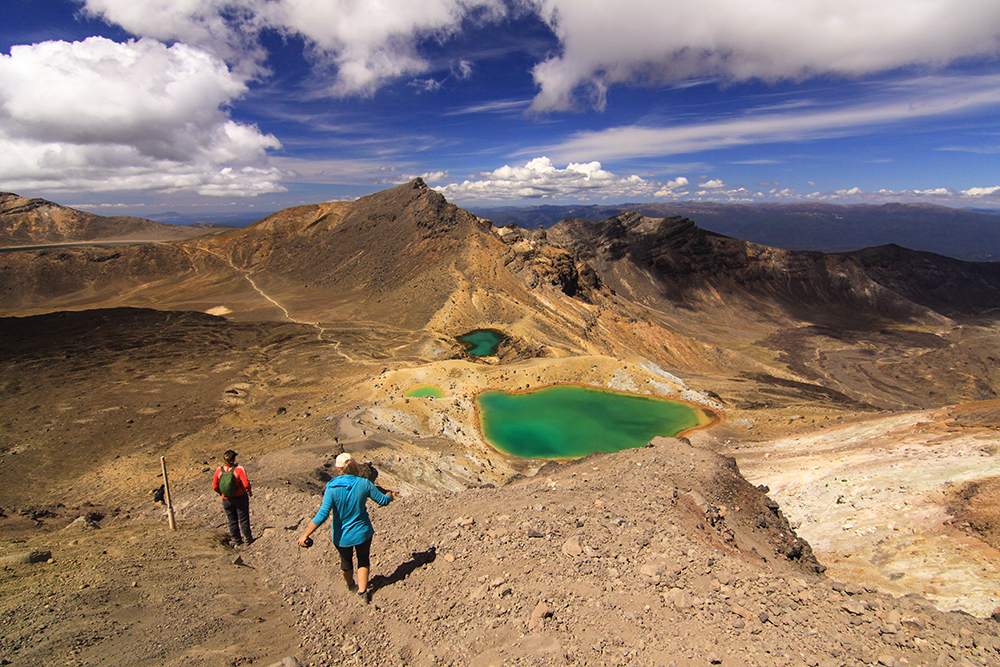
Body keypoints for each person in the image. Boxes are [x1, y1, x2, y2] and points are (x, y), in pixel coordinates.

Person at [298, 452, 394, 603]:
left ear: (338, 469)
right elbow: (382, 501)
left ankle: (351, 585)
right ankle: (363, 593)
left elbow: (323, 514)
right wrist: (389, 496)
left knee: (346, 562)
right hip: (362, 532)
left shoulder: (332, 487)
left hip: (342, 535)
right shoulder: (364, 484)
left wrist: (306, 534)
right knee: (363, 560)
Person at [213, 450, 253, 547]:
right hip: (240, 497)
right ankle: (248, 539)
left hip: (226, 499)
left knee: (232, 520)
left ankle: (236, 540)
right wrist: (249, 491)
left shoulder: (219, 470)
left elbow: (214, 486)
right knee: (243, 518)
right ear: (234, 459)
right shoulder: (239, 469)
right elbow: (246, 483)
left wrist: (221, 493)